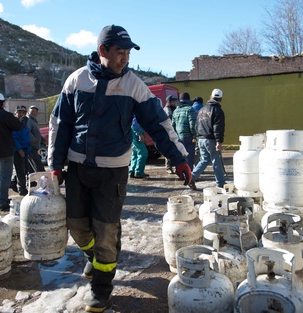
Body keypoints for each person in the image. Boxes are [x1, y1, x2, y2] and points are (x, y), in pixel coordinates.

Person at [48, 24, 191, 313]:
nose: (125, 59)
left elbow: (159, 124)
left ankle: (101, 288)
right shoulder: (76, 81)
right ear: (103, 51)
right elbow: (59, 125)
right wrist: (54, 164)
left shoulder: (133, 85)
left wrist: (179, 158)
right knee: (76, 225)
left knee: (105, 230)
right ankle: (98, 256)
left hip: (112, 172)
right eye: (120, 52)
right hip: (77, 167)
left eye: (128, 53)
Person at [189, 88, 226, 190]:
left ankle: (191, 177)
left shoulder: (202, 109)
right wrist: (219, 141)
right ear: (221, 99)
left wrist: (197, 137)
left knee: (204, 160)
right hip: (211, 139)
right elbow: (218, 127)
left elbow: (196, 125)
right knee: (216, 161)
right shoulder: (218, 111)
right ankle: (221, 183)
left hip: (201, 139)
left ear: (211, 97)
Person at [172, 92, 197, 170]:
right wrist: (194, 135)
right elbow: (192, 124)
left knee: (180, 155)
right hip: (188, 137)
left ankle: (180, 172)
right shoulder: (190, 109)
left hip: (178, 136)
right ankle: (189, 174)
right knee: (189, 156)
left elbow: (173, 125)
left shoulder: (176, 110)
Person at [10, 105, 31, 196]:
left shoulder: (24, 123)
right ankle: (21, 189)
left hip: (26, 150)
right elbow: (14, 139)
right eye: (19, 112)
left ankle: (13, 183)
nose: (21, 114)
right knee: (20, 171)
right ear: (16, 113)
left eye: (23, 112)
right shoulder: (15, 124)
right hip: (18, 151)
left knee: (26, 169)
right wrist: (19, 150)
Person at [27, 105, 46, 172]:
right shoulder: (28, 120)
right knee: (38, 166)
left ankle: (32, 181)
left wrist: (43, 140)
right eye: (32, 111)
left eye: (35, 111)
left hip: (34, 147)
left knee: (31, 167)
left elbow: (36, 133)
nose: (34, 112)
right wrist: (34, 140)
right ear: (28, 111)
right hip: (30, 147)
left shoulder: (34, 121)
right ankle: (42, 178)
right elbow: (27, 132)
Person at [163, 95, 178, 174]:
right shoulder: (167, 110)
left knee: (175, 150)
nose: (175, 102)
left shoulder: (173, 109)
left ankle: (174, 166)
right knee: (169, 150)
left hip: (172, 133)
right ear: (169, 101)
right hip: (168, 133)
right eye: (173, 101)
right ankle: (169, 167)